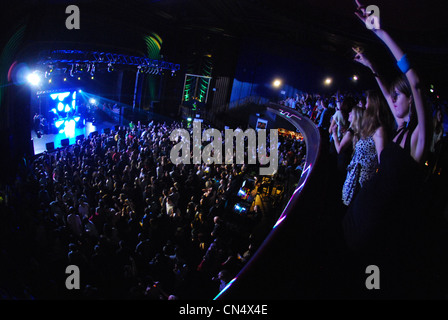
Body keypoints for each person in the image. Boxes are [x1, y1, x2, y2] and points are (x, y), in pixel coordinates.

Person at [342, 1, 435, 298]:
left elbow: (416, 82)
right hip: (358, 213)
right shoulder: (399, 130)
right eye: (391, 96)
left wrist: (381, 33)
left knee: (368, 286)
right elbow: (385, 89)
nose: (392, 99)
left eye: (398, 95)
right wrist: (371, 67)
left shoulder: (419, 138)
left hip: (376, 228)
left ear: (410, 99)